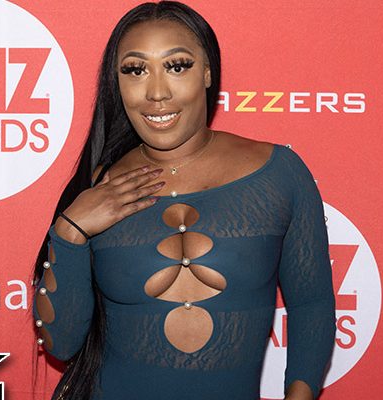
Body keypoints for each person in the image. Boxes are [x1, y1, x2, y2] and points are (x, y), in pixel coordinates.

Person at [32, 2, 336, 399]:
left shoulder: (279, 173)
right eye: (136, 70)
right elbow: (61, 344)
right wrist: (70, 231)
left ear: (207, 72)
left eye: (177, 66)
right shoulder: (99, 186)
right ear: (116, 83)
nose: (157, 92)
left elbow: (312, 304)